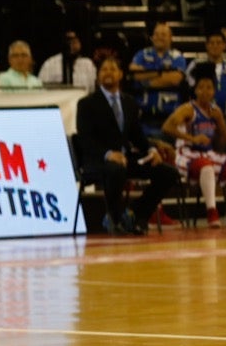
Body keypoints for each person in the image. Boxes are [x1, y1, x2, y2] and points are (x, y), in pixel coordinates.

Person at [75, 56, 181, 234]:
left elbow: (137, 135)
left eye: (112, 69)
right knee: (116, 169)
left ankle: (135, 214)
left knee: (168, 173)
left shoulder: (129, 102)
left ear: (120, 74)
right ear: (98, 75)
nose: (108, 73)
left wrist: (151, 150)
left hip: (126, 159)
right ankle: (115, 218)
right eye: (104, 69)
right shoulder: (86, 103)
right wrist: (109, 154)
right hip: (99, 160)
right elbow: (85, 139)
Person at [164, 64, 226, 228]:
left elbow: (223, 143)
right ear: (195, 90)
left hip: (207, 154)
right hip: (186, 154)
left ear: (214, 91)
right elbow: (166, 127)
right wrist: (192, 138)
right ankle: (212, 213)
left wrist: (221, 122)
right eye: (201, 87)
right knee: (207, 167)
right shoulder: (188, 109)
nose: (205, 91)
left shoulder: (216, 111)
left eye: (209, 88)